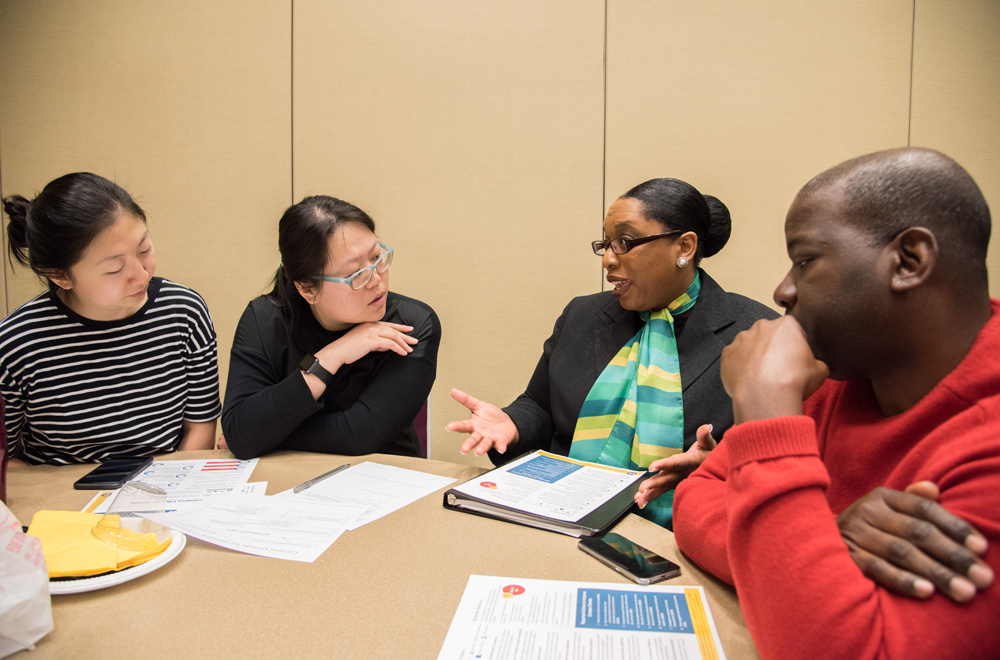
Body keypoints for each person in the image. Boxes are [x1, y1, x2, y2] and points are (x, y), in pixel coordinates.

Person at [673, 148, 998, 659]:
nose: (782, 291)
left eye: (805, 260)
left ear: (908, 260)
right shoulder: (843, 373)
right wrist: (821, 545)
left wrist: (766, 408)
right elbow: (699, 494)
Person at [447, 178, 778, 527]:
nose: (607, 259)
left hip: (682, 534)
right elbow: (540, 406)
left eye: (625, 242)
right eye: (606, 243)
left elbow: (771, 465)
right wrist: (511, 424)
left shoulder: (756, 335)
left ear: (684, 246)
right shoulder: (582, 316)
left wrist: (718, 467)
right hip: (558, 518)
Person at [0, 173, 221, 465]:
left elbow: (199, 428)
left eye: (144, 250)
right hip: (62, 499)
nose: (141, 275)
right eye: (115, 269)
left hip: (164, 487)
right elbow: (8, 460)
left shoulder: (184, 312)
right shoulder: (18, 342)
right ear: (60, 276)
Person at [221, 195, 440, 459]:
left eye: (377, 258)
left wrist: (268, 435)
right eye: (355, 275)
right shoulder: (266, 319)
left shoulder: (410, 324)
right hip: (286, 480)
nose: (377, 280)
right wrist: (330, 357)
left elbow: (361, 435)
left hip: (385, 479)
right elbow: (241, 431)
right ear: (306, 288)